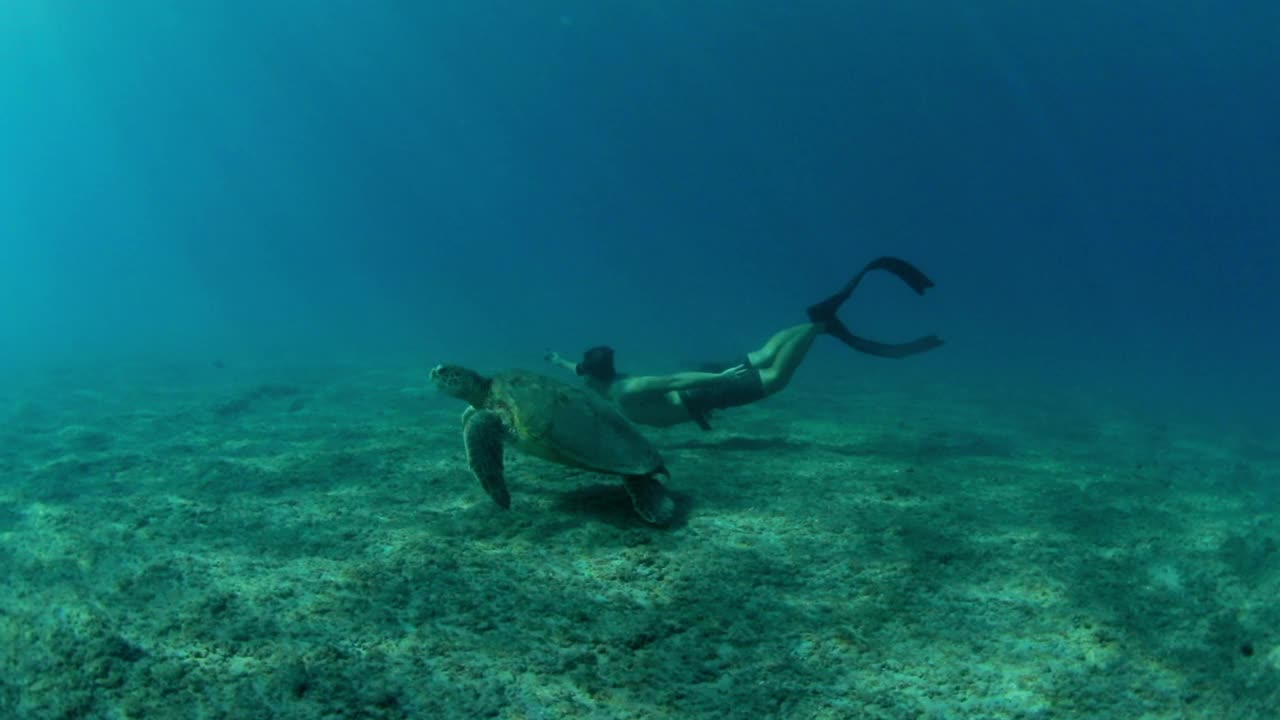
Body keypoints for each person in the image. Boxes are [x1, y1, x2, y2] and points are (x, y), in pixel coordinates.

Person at [545, 256, 943, 430]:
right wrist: (557, 359)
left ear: (594, 376)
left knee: (776, 376)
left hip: (702, 391)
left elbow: (674, 382)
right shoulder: (592, 376)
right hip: (705, 382)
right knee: (766, 352)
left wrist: (719, 379)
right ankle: (813, 322)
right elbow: (572, 367)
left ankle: (820, 327)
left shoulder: (626, 389)